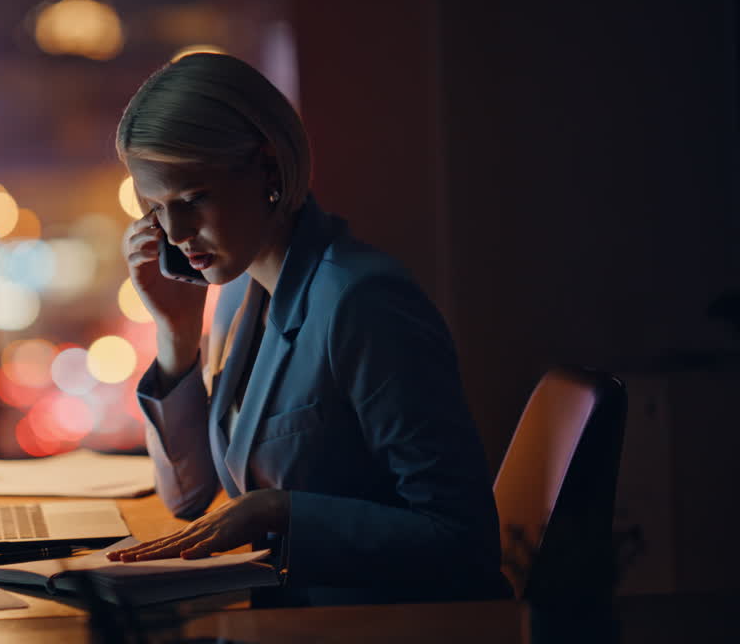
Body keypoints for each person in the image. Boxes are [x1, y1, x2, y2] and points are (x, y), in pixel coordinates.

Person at [110, 52, 510, 606]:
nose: (174, 232)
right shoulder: (236, 295)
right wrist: (176, 332)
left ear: (269, 169)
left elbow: (463, 541)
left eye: (193, 198)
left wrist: (284, 510)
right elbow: (188, 498)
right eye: (155, 206)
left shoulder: (362, 301)